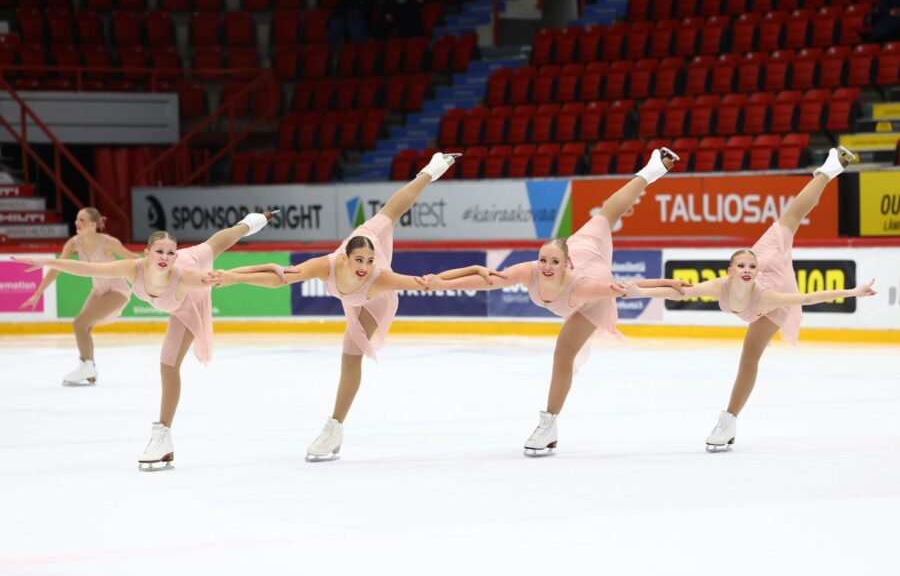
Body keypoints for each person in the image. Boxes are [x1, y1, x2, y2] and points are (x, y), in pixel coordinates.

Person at [205, 153, 501, 461]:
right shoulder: (327, 264)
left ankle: (334, 426)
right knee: (349, 349)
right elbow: (281, 278)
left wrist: (432, 171)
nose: (364, 266)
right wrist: (232, 277)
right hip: (352, 295)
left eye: (369, 261)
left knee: (351, 353)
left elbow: (424, 278)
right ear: (345, 257)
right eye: (359, 260)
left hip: (376, 302)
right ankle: (336, 428)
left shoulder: (378, 277)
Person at [421, 148, 689, 456]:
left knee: (564, 351)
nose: (546, 266)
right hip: (581, 245)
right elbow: (489, 281)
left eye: (553, 262)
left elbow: (627, 289)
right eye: (543, 259)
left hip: (591, 279)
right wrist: (442, 281)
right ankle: (651, 171)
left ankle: (548, 423)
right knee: (605, 215)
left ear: (566, 265)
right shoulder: (529, 270)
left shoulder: (583, 288)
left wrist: (667, 284)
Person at [622, 147, 876, 452]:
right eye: (741, 267)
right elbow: (682, 291)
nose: (745, 270)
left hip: (773, 278)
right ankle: (828, 171)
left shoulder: (767, 295)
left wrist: (852, 291)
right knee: (789, 219)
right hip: (763, 254)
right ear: (730, 271)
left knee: (750, 353)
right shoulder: (722, 285)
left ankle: (828, 169)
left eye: (749, 267)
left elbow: (807, 297)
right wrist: (640, 292)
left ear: (755, 271)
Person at [13, 211, 276, 471]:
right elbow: (87, 268)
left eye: (170, 253)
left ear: (176, 255)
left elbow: (226, 278)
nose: (164, 257)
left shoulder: (183, 277)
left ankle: (162, 435)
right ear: (147, 253)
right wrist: (49, 261)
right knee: (220, 240)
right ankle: (253, 220)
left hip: (188, 303)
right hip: (183, 276)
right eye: (159, 251)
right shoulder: (132, 268)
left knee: (168, 364)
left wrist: (272, 269)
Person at [19, 207, 140, 386]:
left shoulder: (109, 242)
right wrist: (37, 294)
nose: (77, 223)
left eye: (82, 220)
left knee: (79, 324)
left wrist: (156, 271)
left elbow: (134, 260)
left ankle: (87, 366)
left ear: (93, 225)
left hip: (117, 290)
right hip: (98, 290)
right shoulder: (73, 243)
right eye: (76, 219)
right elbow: (56, 269)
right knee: (83, 326)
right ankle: (89, 368)